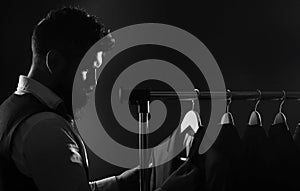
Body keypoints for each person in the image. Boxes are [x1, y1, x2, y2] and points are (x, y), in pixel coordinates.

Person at [0, 7, 199, 191]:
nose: (94, 82)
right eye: (88, 69)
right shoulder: (46, 128)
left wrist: (122, 182)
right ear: (55, 62)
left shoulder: (9, 109)